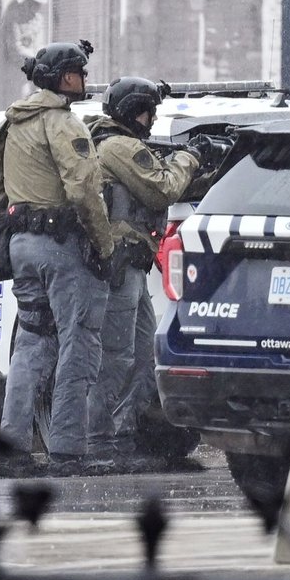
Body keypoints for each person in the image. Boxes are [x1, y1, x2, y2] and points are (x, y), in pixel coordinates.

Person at [0, 40, 114, 477]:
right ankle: (68, 449)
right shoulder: (63, 123)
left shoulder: (11, 124)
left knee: (31, 344)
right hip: (64, 248)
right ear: (63, 78)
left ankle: (13, 445)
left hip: (22, 246)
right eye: (79, 71)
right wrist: (105, 244)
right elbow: (83, 189)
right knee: (80, 343)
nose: (84, 78)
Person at [85, 77, 204, 472]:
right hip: (120, 265)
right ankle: (98, 440)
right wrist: (189, 157)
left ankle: (124, 434)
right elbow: (162, 189)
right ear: (130, 112)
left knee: (142, 356)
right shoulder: (117, 146)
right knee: (117, 357)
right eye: (146, 111)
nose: (150, 119)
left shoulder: (123, 145)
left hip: (132, 265)